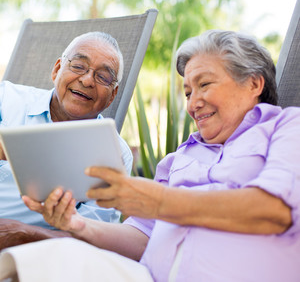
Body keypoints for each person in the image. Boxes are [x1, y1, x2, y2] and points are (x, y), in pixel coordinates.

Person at [1, 29, 299, 282]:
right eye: (187, 93)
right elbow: (141, 237)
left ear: (254, 83)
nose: (193, 103)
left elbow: (274, 211)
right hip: (143, 275)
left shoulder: (287, 128)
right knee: (41, 260)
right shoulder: (178, 159)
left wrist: (158, 200)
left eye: (204, 84)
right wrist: (77, 224)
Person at [0, 31, 133, 250]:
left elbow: (94, 238)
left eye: (103, 77)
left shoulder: (115, 153)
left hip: (32, 255)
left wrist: (21, 234)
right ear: (56, 69)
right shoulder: (6, 99)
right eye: (79, 66)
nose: (87, 80)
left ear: (112, 94)